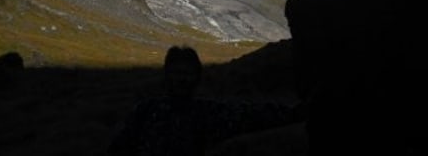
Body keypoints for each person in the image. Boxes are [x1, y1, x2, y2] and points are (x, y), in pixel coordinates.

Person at [107, 45, 304, 156]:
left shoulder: (207, 112)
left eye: (188, 73)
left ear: (197, 77)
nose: (182, 79)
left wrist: (296, 113)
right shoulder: (145, 112)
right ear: (167, 76)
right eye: (177, 73)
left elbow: (252, 115)